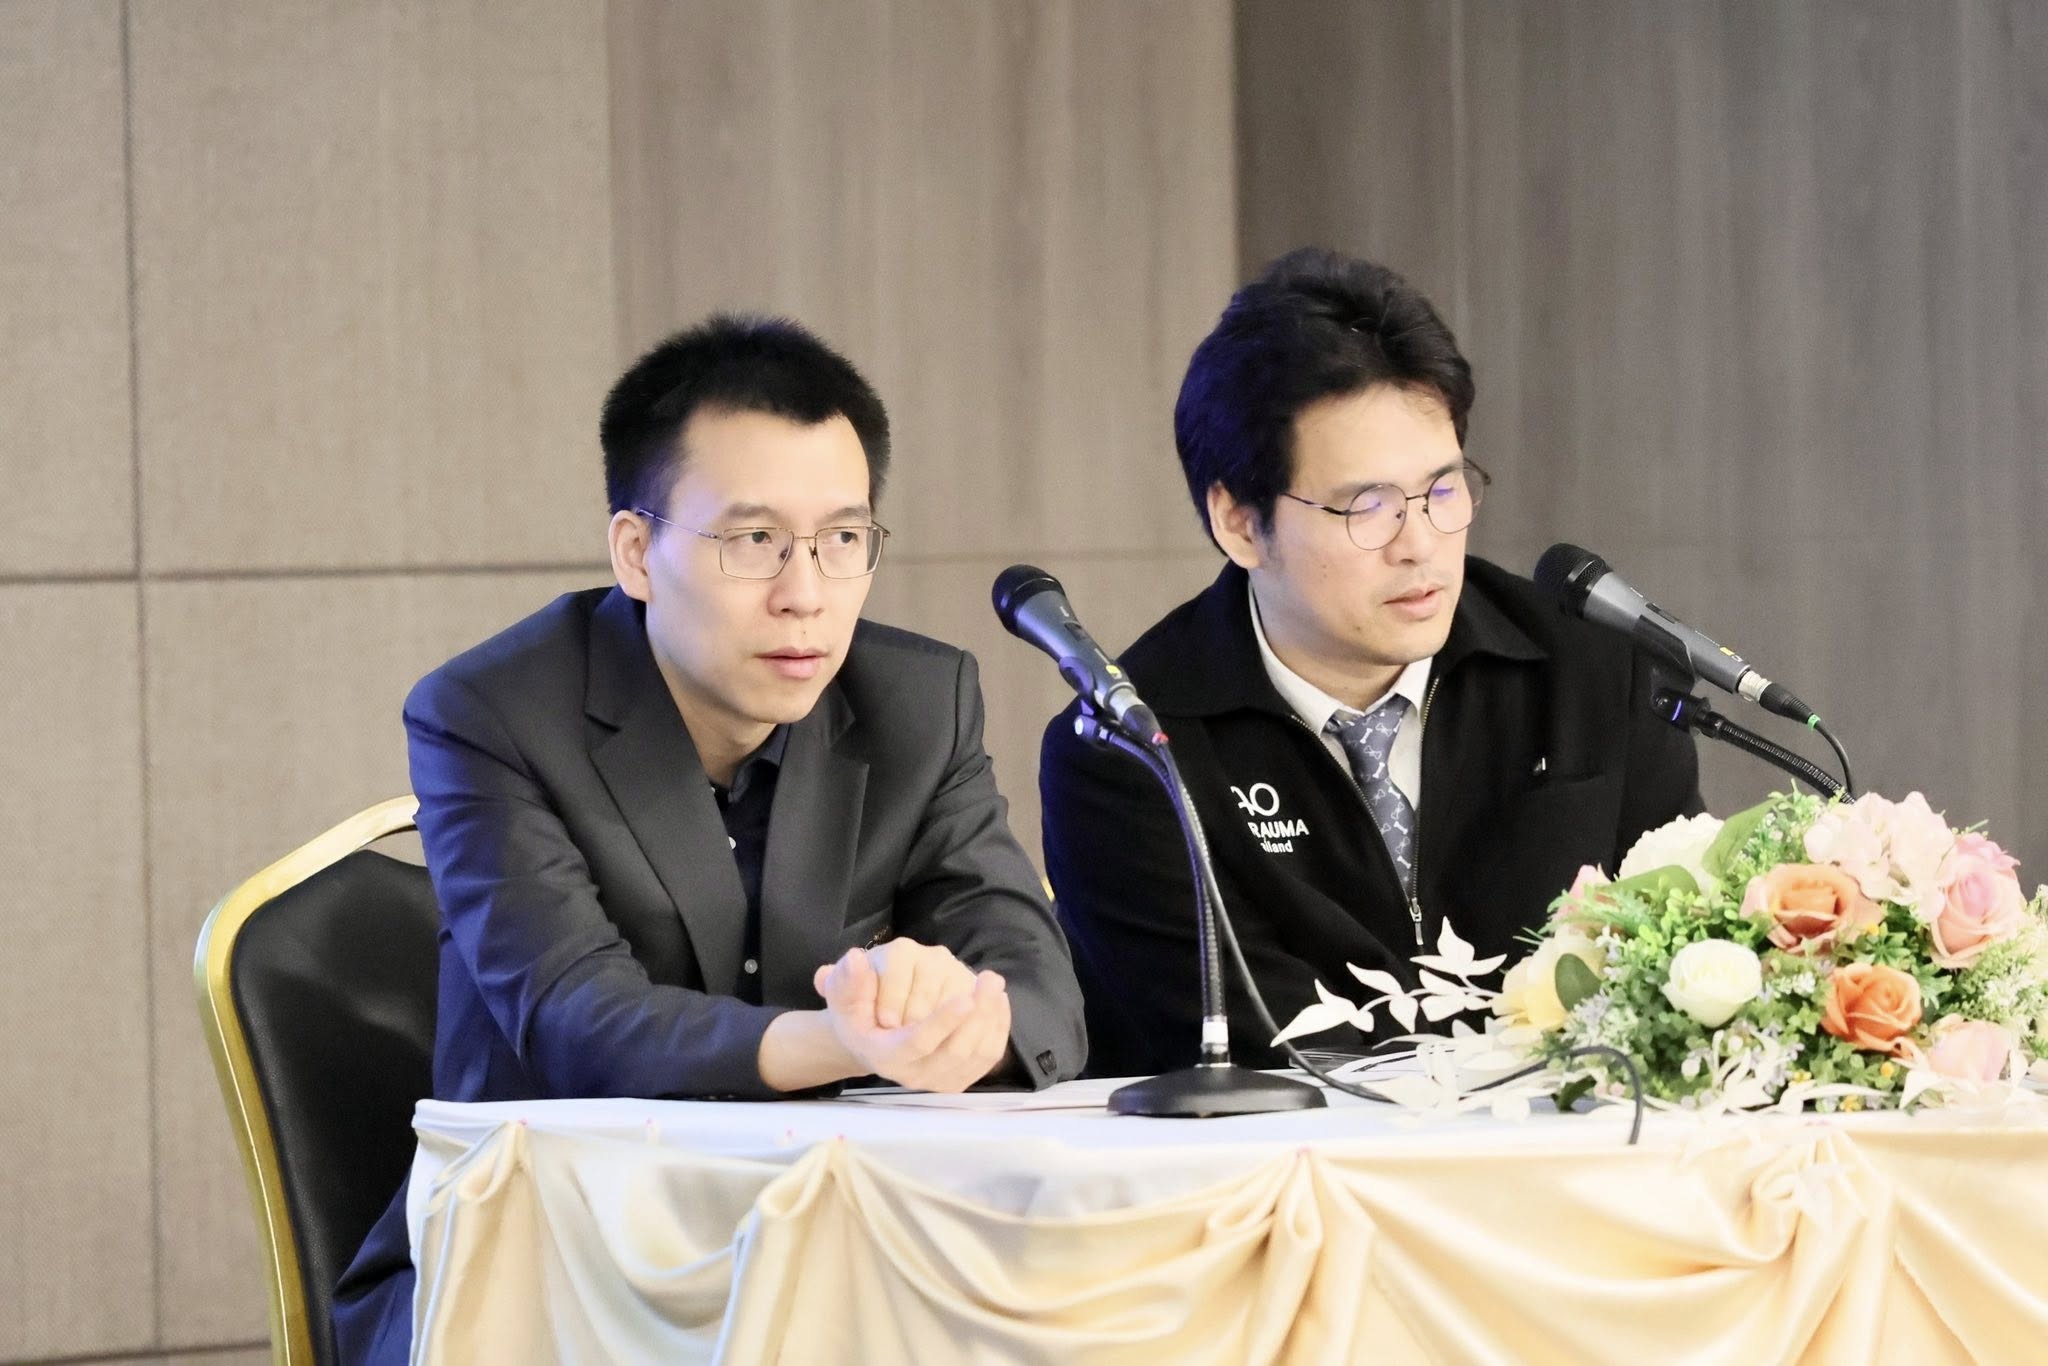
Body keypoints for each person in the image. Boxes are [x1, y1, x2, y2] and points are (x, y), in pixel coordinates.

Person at [334, 315, 1086, 1362]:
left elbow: (1033, 977)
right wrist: (845, 1041)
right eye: (753, 542)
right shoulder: (494, 714)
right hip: (543, 1262)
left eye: (841, 539)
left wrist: (962, 1021)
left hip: (839, 1245)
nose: (805, 594)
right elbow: (578, 1018)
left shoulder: (918, 703)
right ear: (636, 552)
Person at [1039, 248, 1702, 1078]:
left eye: (1443, 490)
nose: (1420, 544)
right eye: (1368, 507)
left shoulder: (1599, 676)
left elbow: (1677, 974)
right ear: (1240, 523)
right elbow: (1265, 1053)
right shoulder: (1130, 750)